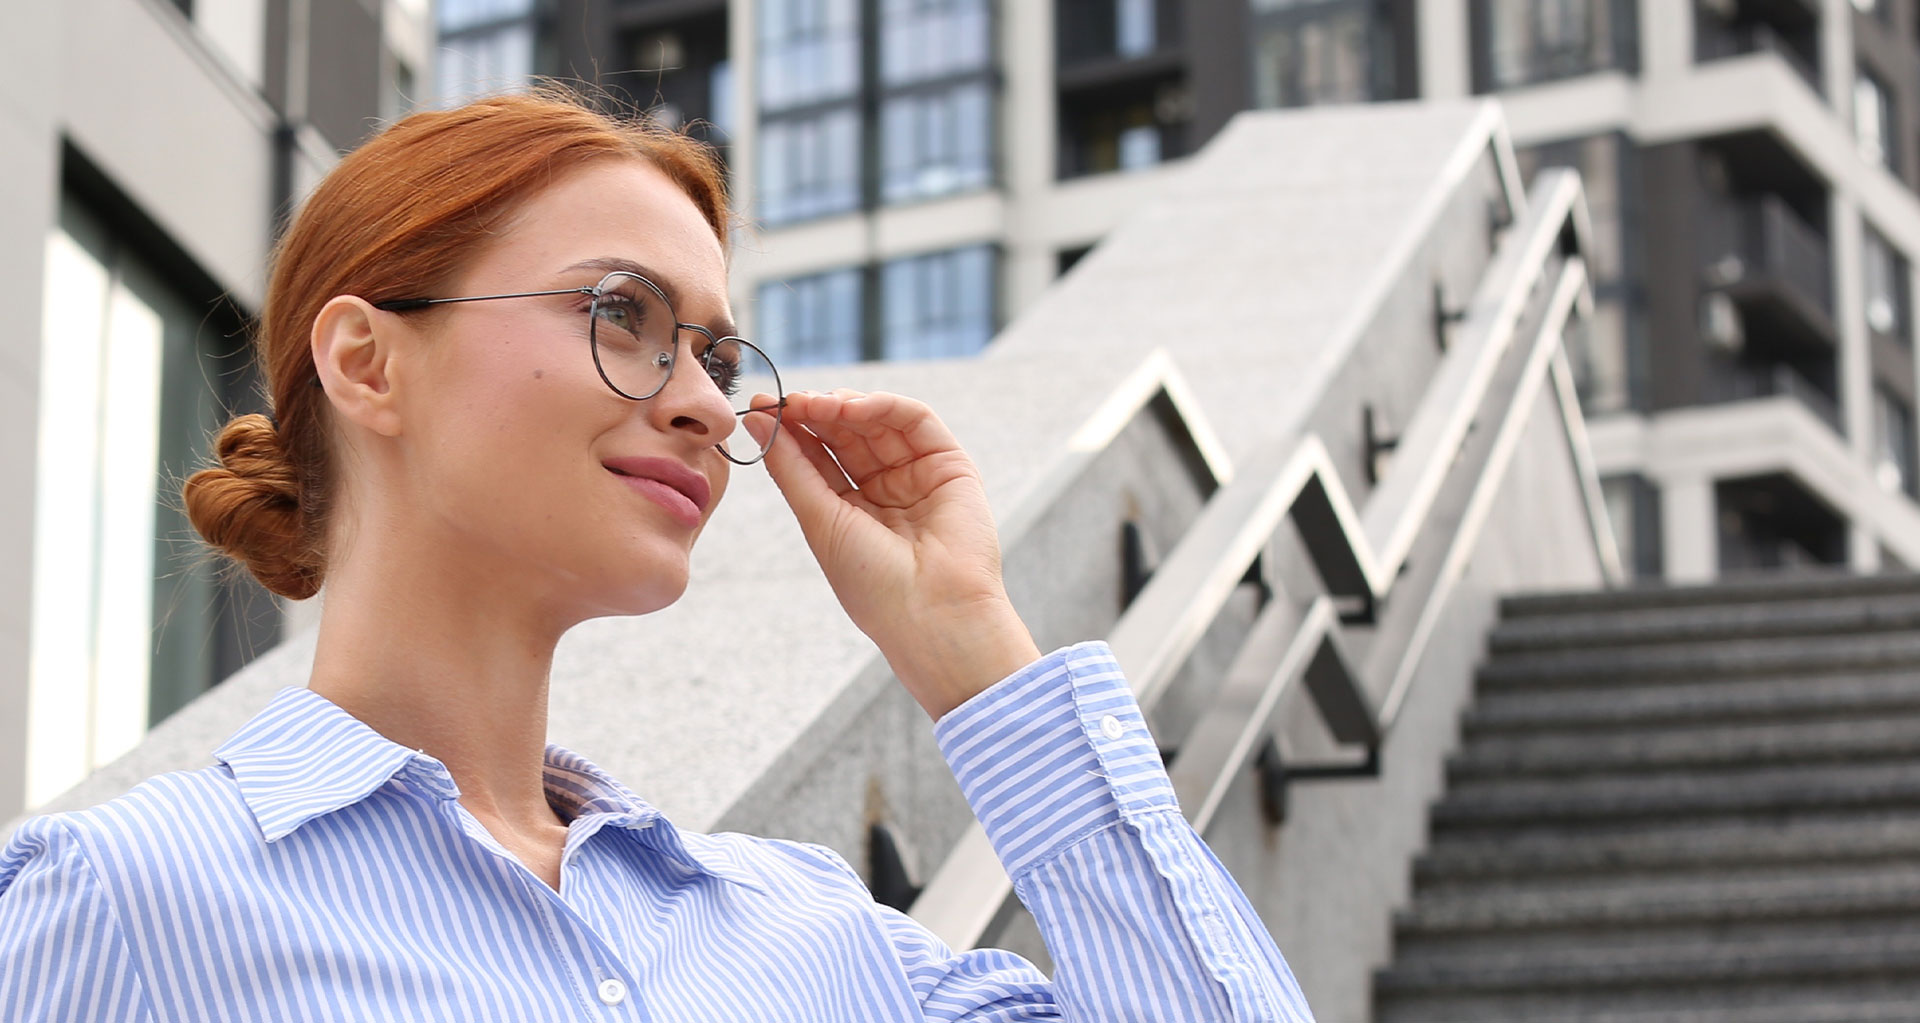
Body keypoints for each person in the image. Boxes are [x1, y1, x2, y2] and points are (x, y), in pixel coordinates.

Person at [0, 90, 1314, 1022]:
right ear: (368, 361)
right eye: (621, 313)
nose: (705, 403)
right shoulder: (122, 905)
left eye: (718, 355)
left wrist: (967, 643)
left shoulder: (820, 940)